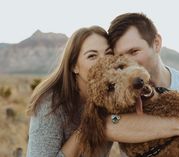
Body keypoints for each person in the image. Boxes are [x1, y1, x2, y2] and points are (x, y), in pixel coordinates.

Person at [106, 13, 179, 157]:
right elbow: (109, 124)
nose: (129, 63)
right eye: (121, 57)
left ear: (156, 43)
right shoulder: (120, 98)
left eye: (134, 51)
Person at [26, 26, 114, 157]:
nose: (104, 62)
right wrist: (86, 128)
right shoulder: (51, 103)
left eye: (108, 53)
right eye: (92, 56)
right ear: (74, 66)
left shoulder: (112, 95)